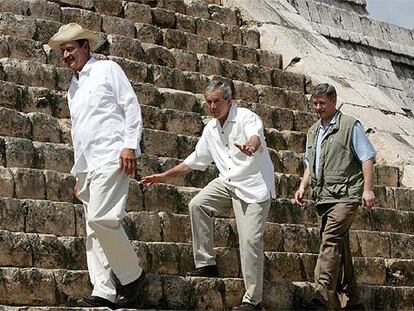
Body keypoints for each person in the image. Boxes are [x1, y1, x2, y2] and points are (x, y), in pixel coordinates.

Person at [141, 80, 275, 310]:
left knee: (250, 240)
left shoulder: (246, 117)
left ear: (229, 100)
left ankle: (253, 299)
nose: (211, 107)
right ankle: (206, 263)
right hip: (228, 182)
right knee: (198, 204)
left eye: (216, 102)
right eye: (208, 102)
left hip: (254, 188)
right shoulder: (210, 129)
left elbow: (255, 137)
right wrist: (165, 176)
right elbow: (195, 161)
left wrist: (250, 147)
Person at [48, 23, 145, 308]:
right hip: (88, 166)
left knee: (102, 219)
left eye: (70, 48)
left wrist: (130, 145)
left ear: (86, 47)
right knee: (93, 229)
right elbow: (79, 133)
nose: (66, 55)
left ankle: (133, 276)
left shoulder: (107, 70)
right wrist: (78, 173)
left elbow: (130, 106)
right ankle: (103, 291)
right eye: (62, 51)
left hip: (112, 156)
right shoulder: (72, 88)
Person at [294, 83, 376, 311]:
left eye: (321, 103)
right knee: (341, 246)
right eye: (314, 103)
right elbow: (310, 163)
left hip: (346, 196)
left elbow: (367, 157)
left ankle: (321, 297)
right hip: (323, 197)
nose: (317, 108)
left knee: (329, 239)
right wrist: (302, 186)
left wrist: (367, 190)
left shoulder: (350, 126)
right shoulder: (313, 131)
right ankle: (353, 300)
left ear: (333, 101)